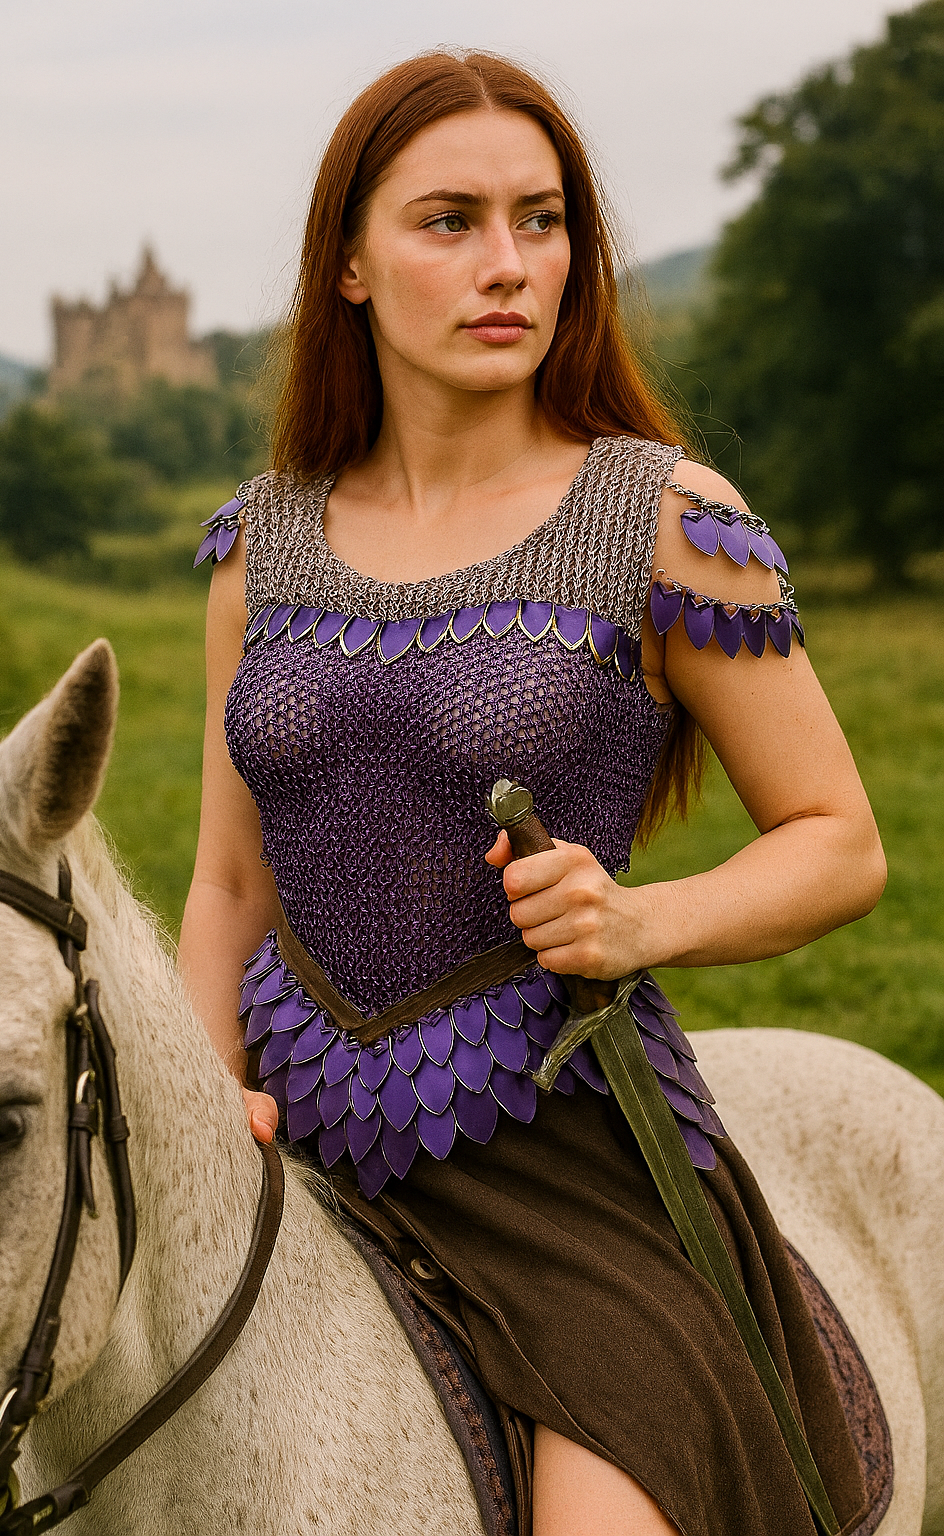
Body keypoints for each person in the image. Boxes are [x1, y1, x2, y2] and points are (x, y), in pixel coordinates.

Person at [179, 50, 886, 1536]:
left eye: (542, 218)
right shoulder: (259, 546)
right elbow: (231, 880)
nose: (510, 265)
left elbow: (840, 845)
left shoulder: (669, 521)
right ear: (353, 265)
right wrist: (200, 1097)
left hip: (569, 1170)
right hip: (296, 1141)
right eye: (451, 221)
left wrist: (641, 920)